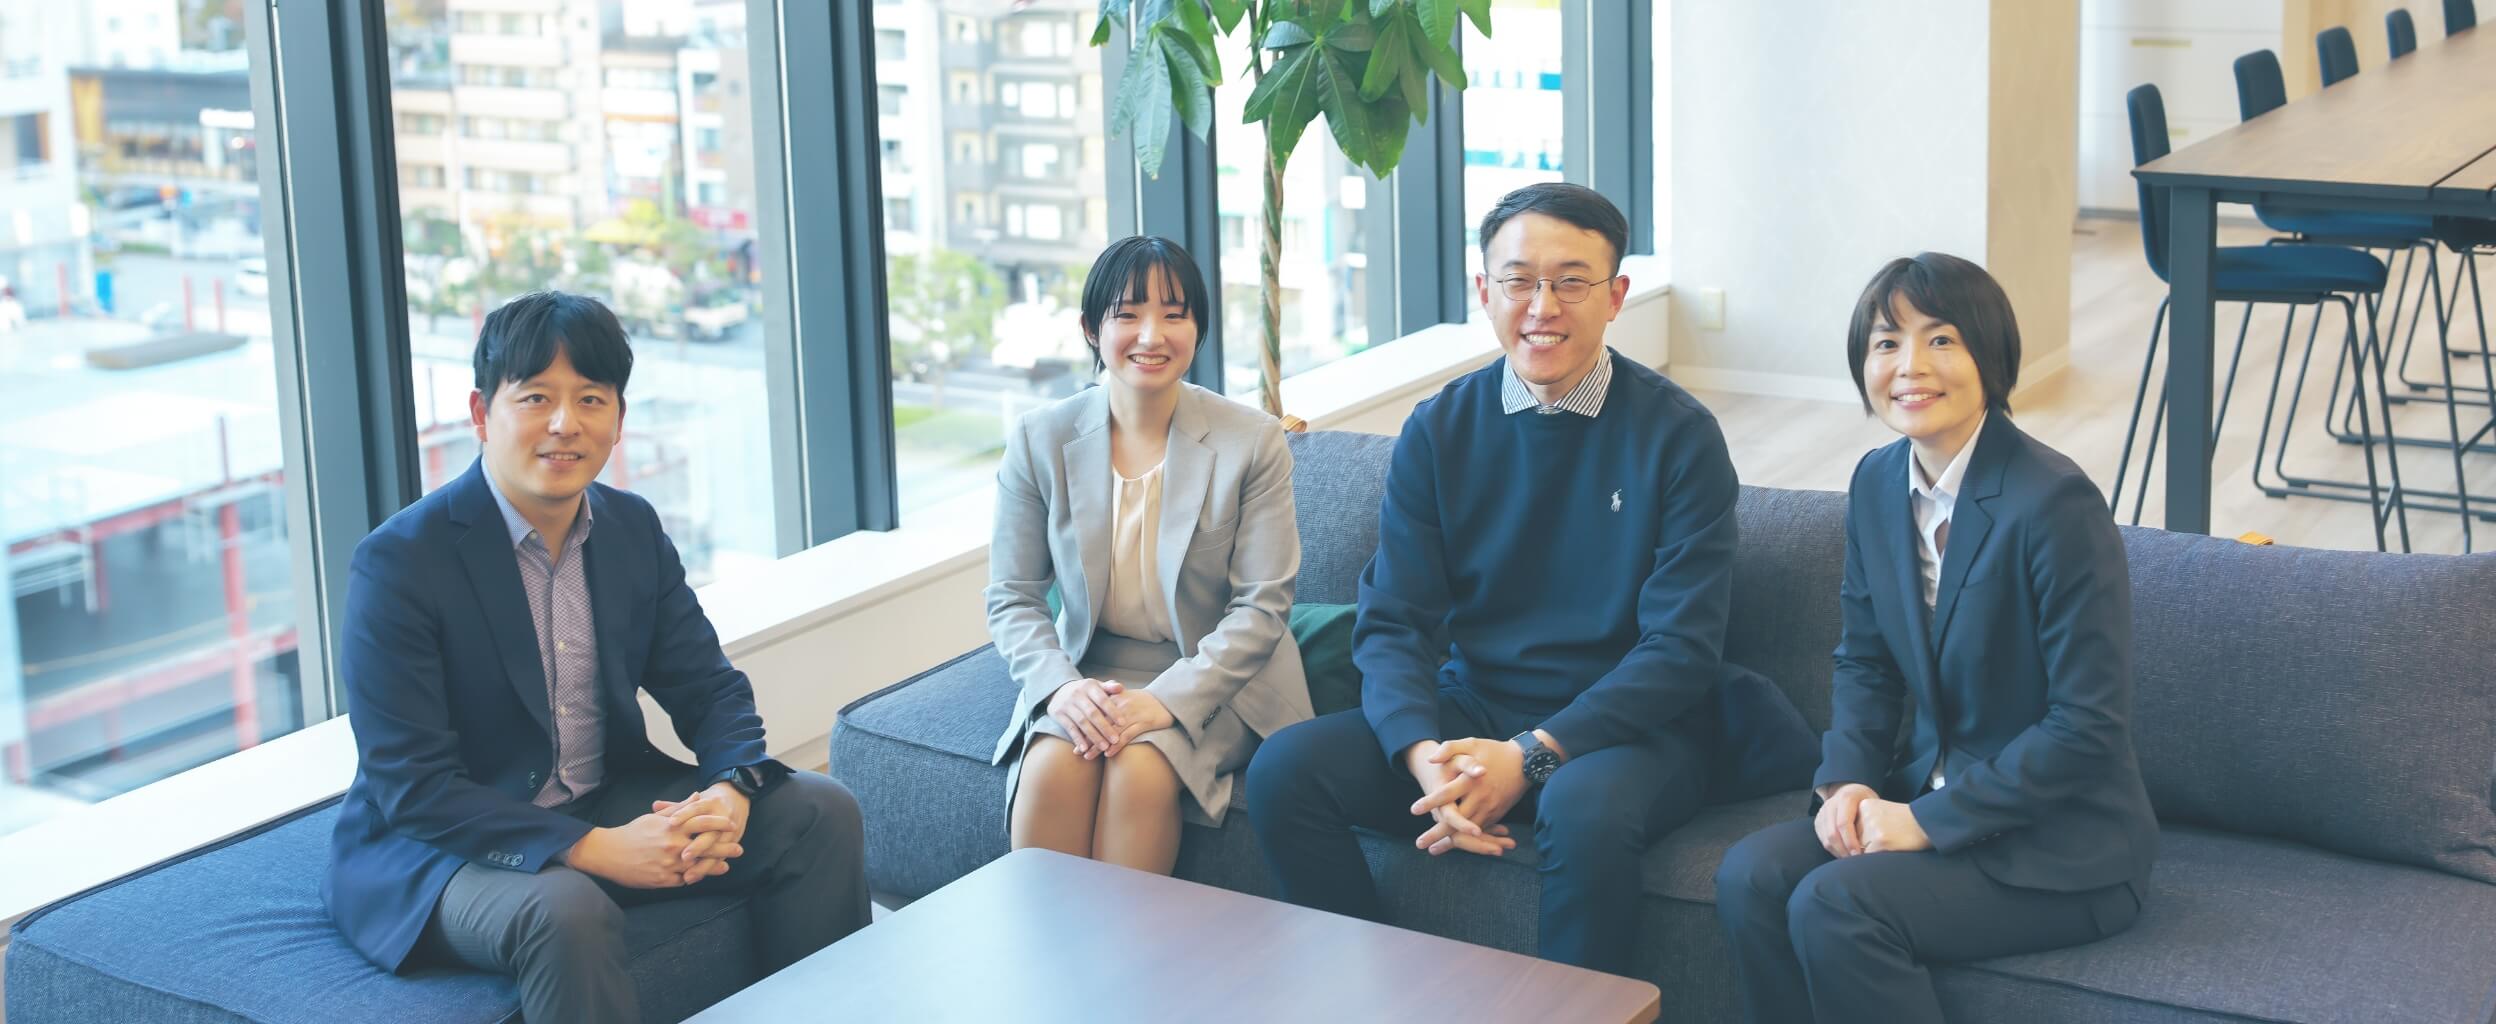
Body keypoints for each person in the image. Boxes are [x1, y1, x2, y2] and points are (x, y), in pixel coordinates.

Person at [323, 291, 869, 1024]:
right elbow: (414, 787)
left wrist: (729, 788)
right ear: (482, 412)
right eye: (536, 398)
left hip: (602, 795)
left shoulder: (630, 528)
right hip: (438, 850)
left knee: (819, 810)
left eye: (590, 399)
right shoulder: (400, 562)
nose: (564, 423)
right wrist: (592, 848)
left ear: (617, 418)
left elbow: (708, 689)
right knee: (566, 911)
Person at [1243, 182, 1739, 976]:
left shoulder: (1679, 437)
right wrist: (1422, 756)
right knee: (1286, 771)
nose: (1542, 306)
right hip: (1476, 706)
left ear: (1615, 297)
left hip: (1630, 731)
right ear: (1484, 290)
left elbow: (1681, 650)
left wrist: (1530, 756)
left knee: (1580, 807)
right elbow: (1394, 619)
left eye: (1571, 282)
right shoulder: (1440, 427)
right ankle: (1369, 994)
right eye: (1519, 281)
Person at [1713, 253, 2159, 1023]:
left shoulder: (2054, 504)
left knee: (1836, 904)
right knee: (1750, 875)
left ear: (1992, 355)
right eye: (1886, 343)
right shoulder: (1877, 481)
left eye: (1941, 339)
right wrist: (1848, 782)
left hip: (2059, 846)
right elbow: (1866, 661)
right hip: (1923, 796)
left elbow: (2087, 726)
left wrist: (1922, 822)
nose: (1910, 366)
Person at [987, 235, 1311, 875]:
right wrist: (1060, 688)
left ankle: (1126, 945)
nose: (1151, 335)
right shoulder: (1039, 438)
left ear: (1198, 328)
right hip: (1090, 669)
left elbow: (1262, 607)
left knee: (1138, 767)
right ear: (1091, 329)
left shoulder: (1253, 441)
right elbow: (1012, 596)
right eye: (1128, 314)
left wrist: (1166, 701)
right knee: (1053, 768)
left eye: (1174, 314)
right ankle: (1044, 943)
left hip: (1217, 673)